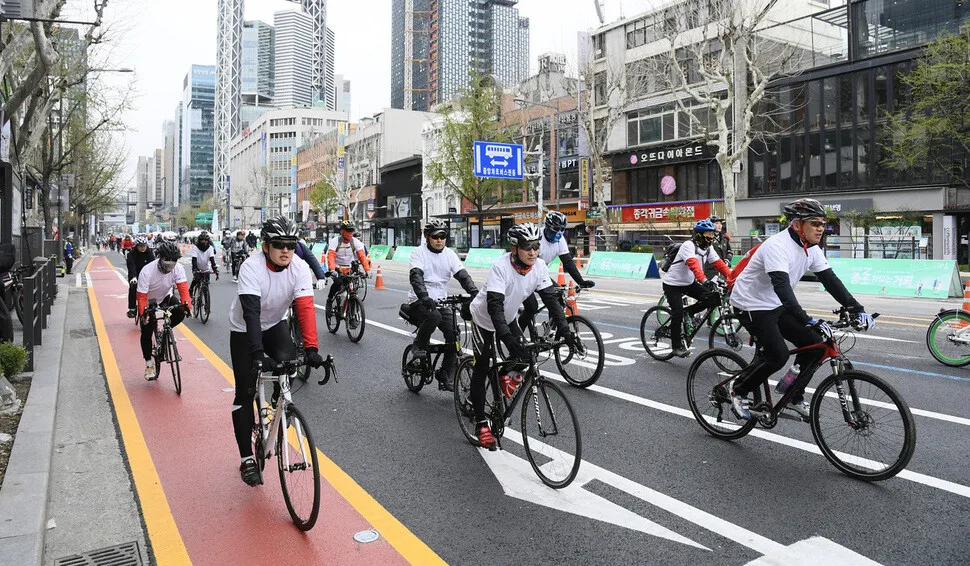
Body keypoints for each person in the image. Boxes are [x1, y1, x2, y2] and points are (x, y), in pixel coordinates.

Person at [728, 198, 876, 419]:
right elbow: (783, 290)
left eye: (823, 224)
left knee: (817, 346)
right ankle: (738, 389)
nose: (821, 228)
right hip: (752, 304)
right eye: (815, 223)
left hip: (776, 303)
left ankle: (792, 395)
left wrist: (857, 309)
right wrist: (807, 319)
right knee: (778, 355)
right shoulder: (777, 246)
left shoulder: (811, 248)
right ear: (797, 225)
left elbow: (830, 280)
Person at [229, 216, 326, 486]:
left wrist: (312, 348)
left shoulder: (299, 267)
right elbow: (251, 314)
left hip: (274, 323)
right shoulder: (252, 267)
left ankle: (273, 406)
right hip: (244, 328)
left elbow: (305, 309)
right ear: (265, 246)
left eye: (291, 245)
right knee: (245, 391)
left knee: (288, 363)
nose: (286, 250)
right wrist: (258, 354)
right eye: (279, 244)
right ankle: (247, 458)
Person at [467, 223, 578, 449]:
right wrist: (507, 338)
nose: (533, 252)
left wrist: (566, 333)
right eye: (527, 246)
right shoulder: (501, 266)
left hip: (507, 317)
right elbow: (494, 306)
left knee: (525, 356)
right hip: (484, 317)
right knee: (483, 365)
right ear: (515, 247)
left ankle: (502, 375)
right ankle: (481, 424)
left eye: (536, 246)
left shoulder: (539, 267)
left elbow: (552, 303)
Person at [404, 219, 479, 390]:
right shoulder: (418, 253)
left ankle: (445, 373)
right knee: (433, 316)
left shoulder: (450, 255)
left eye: (443, 236)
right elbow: (416, 277)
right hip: (419, 301)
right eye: (435, 236)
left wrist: (475, 294)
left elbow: (463, 276)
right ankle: (418, 346)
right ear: (427, 237)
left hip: (442, 301)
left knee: (454, 334)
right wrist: (424, 296)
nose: (439, 240)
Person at [518, 210, 595, 339]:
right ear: (547, 227)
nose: (558, 233)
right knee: (532, 306)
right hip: (524, 274)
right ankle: (517, 335)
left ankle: (550, 331)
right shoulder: (538, 238)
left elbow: (568, 262)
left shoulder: (560, 240)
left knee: (557, 297)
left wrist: (580, 281)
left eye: (561, 230)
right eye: (555, 229)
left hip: (541, 275)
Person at [661, 219, 733, 358]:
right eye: (708, 234)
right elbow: (694, 265)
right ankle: (676, 347)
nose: (711, 237)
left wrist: (732, 278)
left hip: (688, 283)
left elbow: (719, 264)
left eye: (713, 234)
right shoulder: (688, 245)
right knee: (677, 313)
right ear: (699, 234)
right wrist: (705, 281)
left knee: (712, 298)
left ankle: (689, 313)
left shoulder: (708, 248)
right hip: (673, 285)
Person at [136, 241, 192, 381]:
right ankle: (149, 364)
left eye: (172, 263)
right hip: (149, 300)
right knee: (147, 330)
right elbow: (142, 297)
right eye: (167, 262)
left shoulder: (178, 268)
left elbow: (183, 289)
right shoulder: (147, 271)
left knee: (180, 311)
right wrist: (144, 315)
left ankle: (165, 331)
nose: (169, 267)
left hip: (166, 297)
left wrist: (187, 307)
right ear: (160, 257)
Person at [325, 220, 371, 314]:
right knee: (338, 283)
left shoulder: (355, 242)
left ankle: (352, 316)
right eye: (348, 231)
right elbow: (331, 256)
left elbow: (362, 256)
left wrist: (367, 270)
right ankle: (330, 300)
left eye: (352, 231)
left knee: (352, 291)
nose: (350, 233)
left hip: (349, 269)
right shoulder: (335, 242)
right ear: (342, 231)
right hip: (337, 269)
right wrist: (332, 269)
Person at [126, 236, 156, 318]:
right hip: (135, 275)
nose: (143, 248)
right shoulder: (131, 254)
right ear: (136, 246)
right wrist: (133, 277)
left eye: (144, 246)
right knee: (133, 286)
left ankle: (153, 304)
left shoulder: (150, 253)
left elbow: (153, 266)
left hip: (147, 275)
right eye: (140, 246)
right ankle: (132, 308)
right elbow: (131, 267)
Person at [189, 231, 220, 302]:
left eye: (206, 241)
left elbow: (212, 260)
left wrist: (215, 269)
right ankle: (191, 289)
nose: (204, 243)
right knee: (196, 279)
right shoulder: (195, 248)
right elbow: (194, 259)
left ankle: (206, 304)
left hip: (206, 268)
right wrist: (195, 269)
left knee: (206, 287)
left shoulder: (210, 248)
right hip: (197, 267)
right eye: (202, 241)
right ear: (199, 241)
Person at [705, 215, 733, 280]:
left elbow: (729, 251)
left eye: (720, 223)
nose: (720, 225)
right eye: (717, 223)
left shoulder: (724, 238)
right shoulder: (706, 238)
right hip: (709, 272)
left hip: (723, 270)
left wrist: (727, 260)